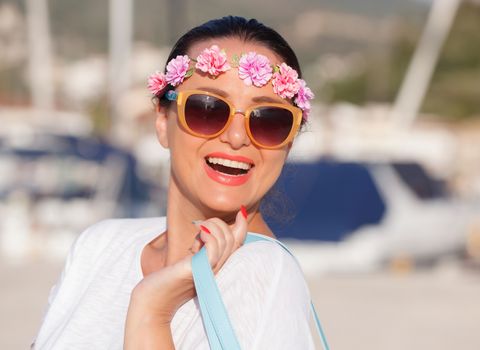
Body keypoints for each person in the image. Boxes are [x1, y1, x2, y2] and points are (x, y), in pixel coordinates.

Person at [32, 15, 316, 349]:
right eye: (207, 109)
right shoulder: (99, 247)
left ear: (289, 141)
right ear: (163, 122)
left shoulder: (264, 276)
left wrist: (152, 309)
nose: (237, 137)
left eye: (269, 120)